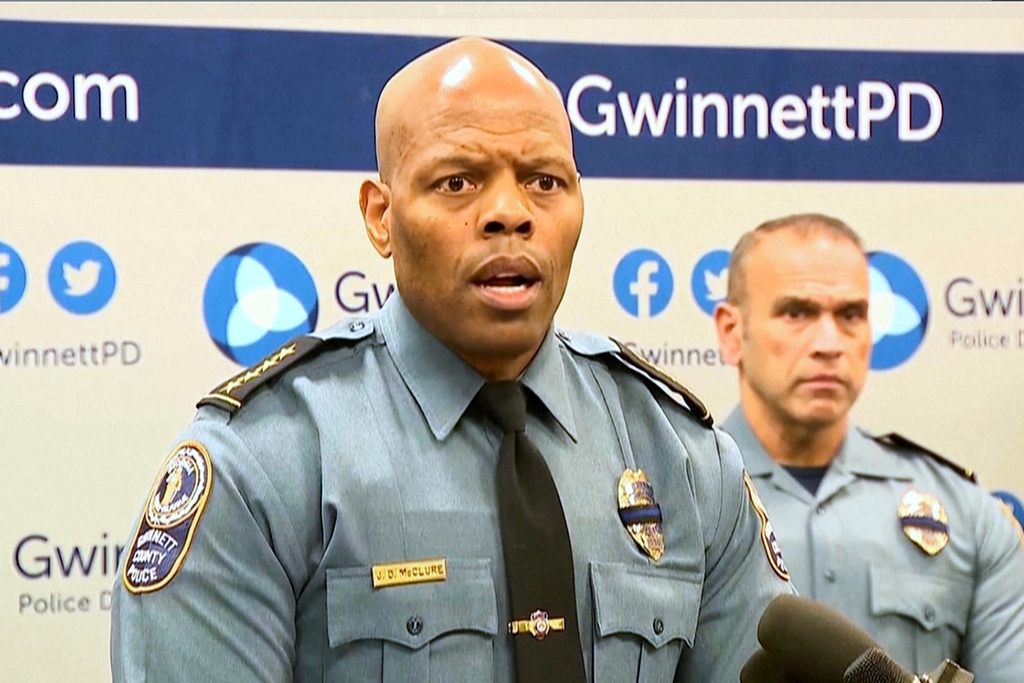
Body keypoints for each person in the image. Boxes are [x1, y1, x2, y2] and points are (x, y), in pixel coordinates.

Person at [110, 38, 792, 682]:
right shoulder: (262, 461)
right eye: (458, 181)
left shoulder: (684, 456)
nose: (509, 214)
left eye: (545, 181)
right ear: (380, 216)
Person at [714, 213, 1024, 679]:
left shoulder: (968, 517)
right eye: (796, 313)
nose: (828, 343)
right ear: (731, 332)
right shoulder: (681, 499)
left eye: (850, 315)